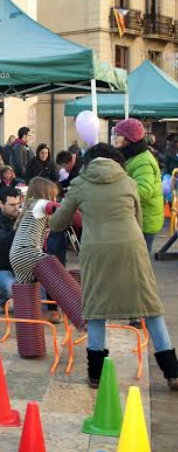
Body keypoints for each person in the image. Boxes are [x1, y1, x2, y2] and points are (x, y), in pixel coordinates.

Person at [47, 143, 178, 390]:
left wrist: (48, 211)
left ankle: (96, 375)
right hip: (132, 247)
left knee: (96, 309)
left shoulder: (80, 184)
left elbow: (58, 223)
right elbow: (137, 219)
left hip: (97, 251)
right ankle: (173, 372)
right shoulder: (128, 182)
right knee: (150, 307)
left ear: (89, 161)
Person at [9, 177, 62, 323]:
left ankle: (28, 325)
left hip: (17, 255)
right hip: (28, 252)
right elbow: (58, 208)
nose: (55, 198)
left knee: (27, 296)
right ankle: (82, 313)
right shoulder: (40, 203)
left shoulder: (30, 206)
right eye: (53, 194)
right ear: (45, 193)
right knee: (59, 275)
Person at [112, 119, 163, 254]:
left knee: (141, 264)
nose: (115, 138)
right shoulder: (131, 155)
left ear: (129, 139)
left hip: (145, 220)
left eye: (119, 135)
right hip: (135, 217)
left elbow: (144, 191)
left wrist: (117, 195)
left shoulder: (143, 160)